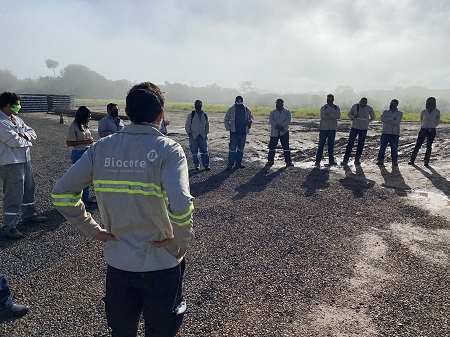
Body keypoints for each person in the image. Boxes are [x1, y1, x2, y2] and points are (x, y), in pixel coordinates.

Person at [52, 82, 194, 337]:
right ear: (160, 114)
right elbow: (181, 204)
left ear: (128, 113)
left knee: (122, 331)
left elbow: (61, 193)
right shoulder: (168, 150)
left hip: (119, 264)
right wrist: (181, 240)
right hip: (161, 264)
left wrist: (92, 230)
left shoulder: (101, 148)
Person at [0, 92, 47, 239]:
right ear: (8, 105)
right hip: (10, 162)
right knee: (14, 193)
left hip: (25, 159)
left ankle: (30, 215)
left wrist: (24, 135)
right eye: (17, 104)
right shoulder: (1, 122)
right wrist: (25, 138)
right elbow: (13, 142)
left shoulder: (15, 119)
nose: (19, 106)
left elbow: (32, 132)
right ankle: (10, 226)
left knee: (29, 188)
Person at [66, 106, 96, 204]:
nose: (89, 119)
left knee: (87, 176)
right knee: (79, 177)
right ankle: (77, 199)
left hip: (86, 152)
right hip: (78, 153)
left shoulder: (84, 125)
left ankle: (85, 197)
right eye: (88, 117)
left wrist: (90, 141)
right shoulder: (73, 126)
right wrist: (84, 141)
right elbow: (69, 143)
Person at [341, 97, 376, 166]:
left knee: (361, 144)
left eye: (365, 102)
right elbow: (349, 115)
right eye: (362, 102)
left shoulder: (369, 108)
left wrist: (368, 121)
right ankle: (345, 160)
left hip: (363, 128)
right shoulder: (355, 106)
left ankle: (357, 160)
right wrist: (354, 116)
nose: (363, 103)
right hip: (355, 127)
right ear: (360, 101)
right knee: (350, 144)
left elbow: (373, 117)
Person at [408, 97, 441, 166]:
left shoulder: (437, 111)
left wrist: (432, 126)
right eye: (428, 101)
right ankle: (412, 160)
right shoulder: (423, 111)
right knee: (418, 145)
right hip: (423, 129)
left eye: (430, 102)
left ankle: (426, 161)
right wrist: (425, 126)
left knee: (429, 146)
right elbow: (421, 120)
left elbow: (437, 121)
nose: (429, 103)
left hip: (432, 130)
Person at [224, 96, 253, 169]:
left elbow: (251, 117)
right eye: (238, 103)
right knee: (232, 149)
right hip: (234, 132)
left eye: (241, 103)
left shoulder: (246, 109)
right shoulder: (231, 109)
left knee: (240, 149)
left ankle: (238, 163)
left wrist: (250, 121)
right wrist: (228, 128)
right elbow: (226, 119)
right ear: (235, 102)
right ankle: (230, 164)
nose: (240, 105)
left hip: (243, 132)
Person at [266, 98, 294, 167]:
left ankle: (288, 162)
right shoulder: (272, 112)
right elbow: (271, 121)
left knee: (286, 147)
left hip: (284, 132)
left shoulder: (287, 112)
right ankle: (270, 161)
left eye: (279, 104)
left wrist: (282, 126)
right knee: (272, 147)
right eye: (277, 104)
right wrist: (277, 126)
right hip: (274, 132)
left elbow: (288, 121)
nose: (277, 105)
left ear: (282, 104)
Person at [315, 94, 340, 166]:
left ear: (333, 99)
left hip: (332, 129)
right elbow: (322, 117)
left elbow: (338, 116)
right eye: (328, 99)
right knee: (321, 145)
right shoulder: (323, 107)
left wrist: (329, 115)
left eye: (330, 99)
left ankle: (331, 161)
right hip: (323, 128)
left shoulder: (336, 108)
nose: (329, 100)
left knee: (331, 146)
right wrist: (332, 116)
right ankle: (317, 160)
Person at [185, 99, 210, 171]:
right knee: (194, 152)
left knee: (204, 151)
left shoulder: (204, 115)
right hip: (193, 136)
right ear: (194, 106)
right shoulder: (191, 115)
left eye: (199, 104)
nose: (198, 106)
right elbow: (187, 125)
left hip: (202, 135)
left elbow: (207, 125)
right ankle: (196, 165)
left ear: (201, 105)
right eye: (197, 104)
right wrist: (189, 134)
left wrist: (206, 133)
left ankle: (206, 165)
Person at [376, 99, 403, 166]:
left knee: (394, 148)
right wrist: (392, 119)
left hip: (394, 133)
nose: (391, 105)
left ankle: (394, 161)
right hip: (385, 132)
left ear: (396, 105)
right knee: (382, 147)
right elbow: (382, 119)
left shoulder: (399, 113)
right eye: (391, 103)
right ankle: (380, 160)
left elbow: (397, 122)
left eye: (393, 104)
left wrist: (387, 120)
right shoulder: (385, 112)